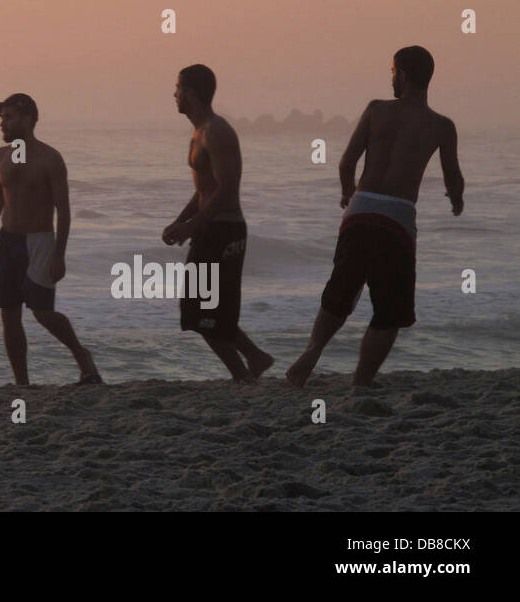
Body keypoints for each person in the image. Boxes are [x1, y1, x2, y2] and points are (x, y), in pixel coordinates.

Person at [287, 47, 464, 388]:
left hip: (360, 211)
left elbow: (346, 163)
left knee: (341, 290)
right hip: (396, 218)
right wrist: (457, 198)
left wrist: (346, 192)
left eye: (393, 71)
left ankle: (308, 357)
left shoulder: (375, 109)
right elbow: (452, 175)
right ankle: (362, 379)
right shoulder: (442, 126)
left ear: (404, 75)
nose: (391, 77)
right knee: (389, 308)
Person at [0, 93, 102, 386]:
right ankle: (22, 383)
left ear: (28, 119)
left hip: (39, 241)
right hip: (7, 241)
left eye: (9, 117)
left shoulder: (49, 159)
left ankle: (82, 356)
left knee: (42, 312)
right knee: (9, 315)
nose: (2, 123)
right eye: (1, 118)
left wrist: (59, 254)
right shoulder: (0, 156)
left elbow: (63, 211)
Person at [162, 65, 274, 382]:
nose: (174, 94)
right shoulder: (199, 133)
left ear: (192, 93)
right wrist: (180, 221)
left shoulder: (217, 131)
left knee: (202, 311)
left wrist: (191, 226)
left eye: (178, 87)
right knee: (201, 309)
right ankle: (251, 362)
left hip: (225, 230)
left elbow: (226, 190)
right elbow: (204, 190)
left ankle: (247, 366)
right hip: (210, 228)